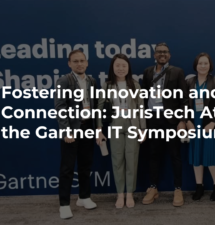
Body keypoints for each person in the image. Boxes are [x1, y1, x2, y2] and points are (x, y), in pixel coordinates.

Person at [96, 53, 146, 209]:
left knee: (132, 160)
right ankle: (120, 194)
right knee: (117, 160)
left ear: (128, 67)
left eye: (124, 65)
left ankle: (130, 193)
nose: (121, 68)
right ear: (113, 67)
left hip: (133, 125)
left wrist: (143, 129)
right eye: (117, 65)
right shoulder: (107, 85)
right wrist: (99, 129)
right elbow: (99, 108)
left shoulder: (135, 85)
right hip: (115, 124)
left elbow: (140, 108)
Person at [141, 42, 188, 207]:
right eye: (159, 52)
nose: (162, 54)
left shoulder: (177, 72)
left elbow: (184, 98)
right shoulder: (147, 72)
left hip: (171, 120)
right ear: (154, 55)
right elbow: (143, 98)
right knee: (153, 155)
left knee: (175, 155)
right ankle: (153, 188)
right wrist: (143, 122)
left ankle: (177, 189)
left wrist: (182, 121)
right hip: (153, 119)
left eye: (165, 52)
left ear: (169, 55)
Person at [54, 49, 98, 219]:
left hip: (88, 128)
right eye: (75, 61)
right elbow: (60, 107)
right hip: (71, 130)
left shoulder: (92, 81)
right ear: (69, 63)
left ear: (86, 63)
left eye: (82, 61)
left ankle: (84, 197)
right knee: (67, 169)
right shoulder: (64, 81)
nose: (79, 64)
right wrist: (66, 130)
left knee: (86, 165)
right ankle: (64, 204)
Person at [185, 53, 215, 201]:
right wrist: (187, 121)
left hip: (209, 125)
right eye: (200, 63)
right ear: (196, 65)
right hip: (193, 124)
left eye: (205, 63)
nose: (202, 66)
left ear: (210, 65)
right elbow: (183, 104)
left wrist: (214, 123)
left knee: (211, 156)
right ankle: (199, 186)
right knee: (197, 157)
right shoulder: (189, 82)